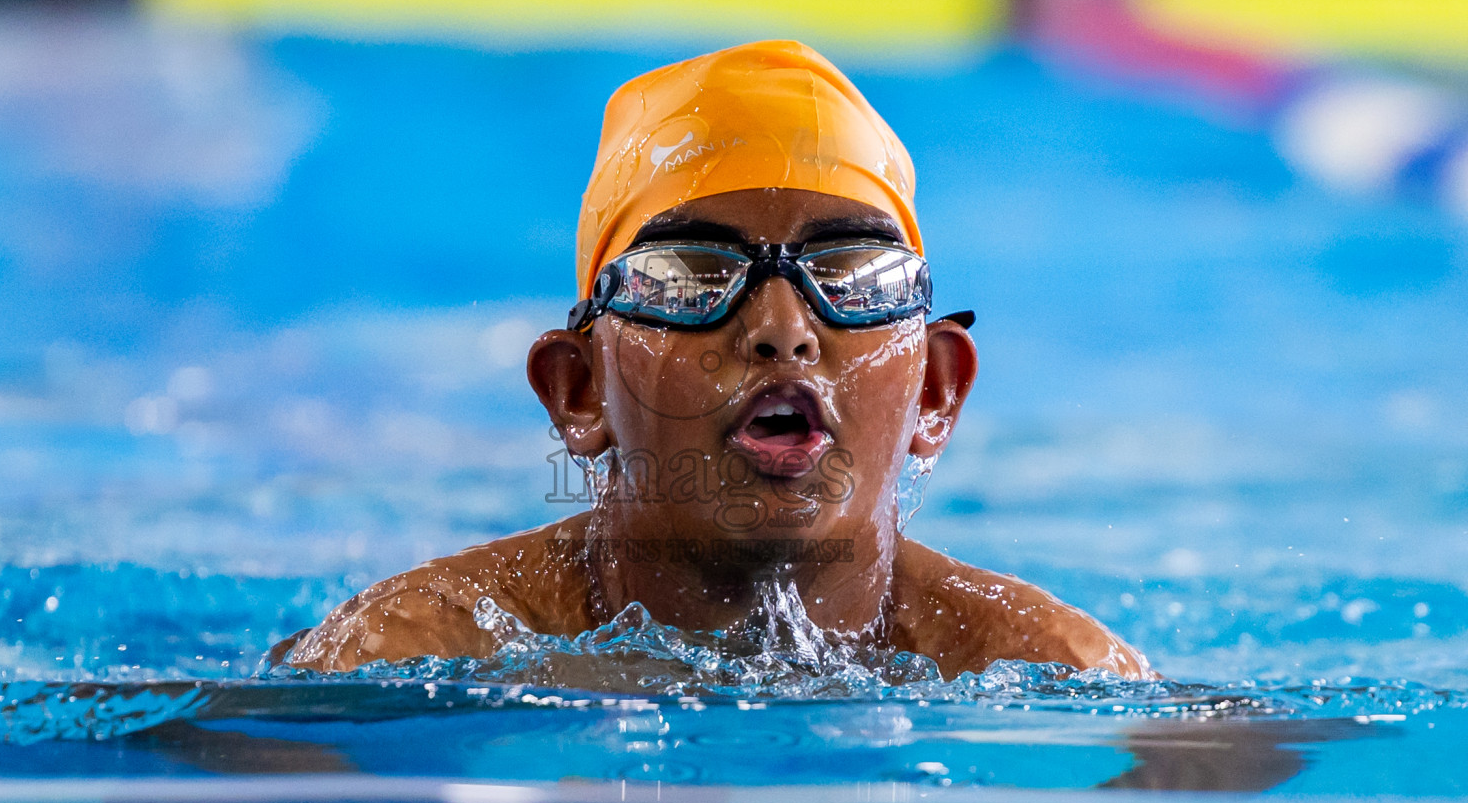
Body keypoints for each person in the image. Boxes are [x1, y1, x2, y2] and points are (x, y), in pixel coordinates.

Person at [282, 40, 1151, 680]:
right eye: (692, 277)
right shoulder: (404, 656)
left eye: (854, 275)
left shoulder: (1057, 672)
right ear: (579, 391)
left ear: (935, 389)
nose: (784, 328)